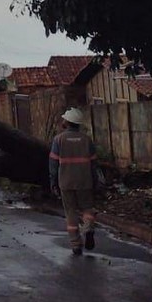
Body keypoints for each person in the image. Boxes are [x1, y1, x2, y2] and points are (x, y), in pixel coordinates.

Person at [49, 107, 97, 255]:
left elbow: (53, 164)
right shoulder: (87, 140)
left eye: (64, 119)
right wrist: (94, 180)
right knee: (87, 208)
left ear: (67, 122)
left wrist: (53, 182)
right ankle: (88, 227)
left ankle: (76, 245)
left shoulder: (58, 140)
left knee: (70, 212)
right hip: (85, 180)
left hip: (66, 181)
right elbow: (94, 164)